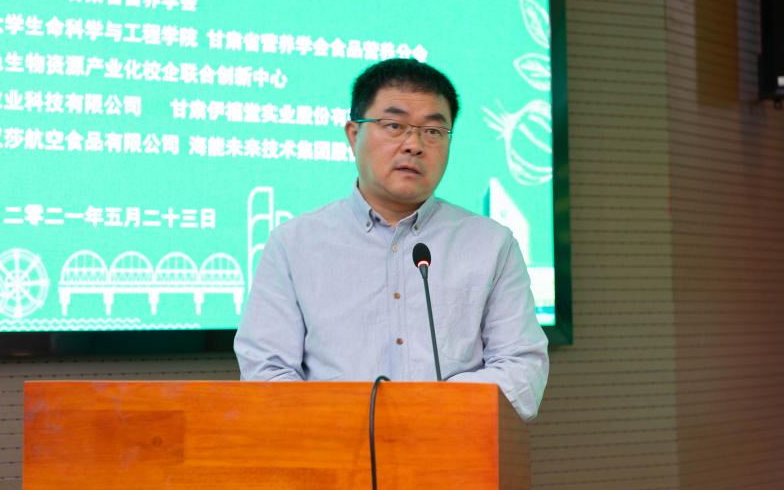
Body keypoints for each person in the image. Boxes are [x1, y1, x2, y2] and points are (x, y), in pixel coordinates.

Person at [234, 58, 549, 422]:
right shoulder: (294, 245)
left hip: (450, 446)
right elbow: (266, 371)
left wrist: (429, 414)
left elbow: (522, 368)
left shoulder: (492, 245)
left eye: (433, 131)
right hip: (333, 449)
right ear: (354, 135)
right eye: (394, 125)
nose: (414, 144)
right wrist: (353, 425)